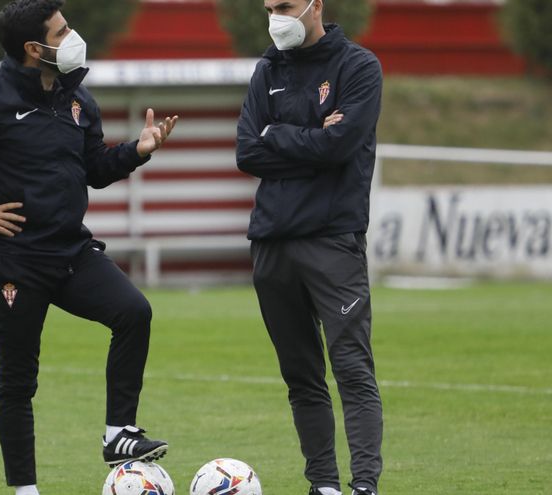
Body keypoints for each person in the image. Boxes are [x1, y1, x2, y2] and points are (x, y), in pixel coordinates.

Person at [0, 1, 178, 494]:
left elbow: (95, 170)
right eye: (62, 30)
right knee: (18, 382)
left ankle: (119, 434)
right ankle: (26, 490)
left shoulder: (79, 101)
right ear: (35, 49)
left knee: (134, 312)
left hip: (72, 253)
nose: (74, 35)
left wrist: (136, 153)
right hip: (15, 262)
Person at [235, 1, 384, 494]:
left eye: (284, 6)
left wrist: (278, 135)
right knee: (301, 377)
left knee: (352, 370)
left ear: (315, 5)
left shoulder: (359, 67)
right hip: (272, 245)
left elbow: (341, 146)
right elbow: (247, 151)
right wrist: (310, 138)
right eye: (268, 7)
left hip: (331, 242)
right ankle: (324, 485)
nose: (275, 16)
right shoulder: (266, 70)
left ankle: (364, 486)